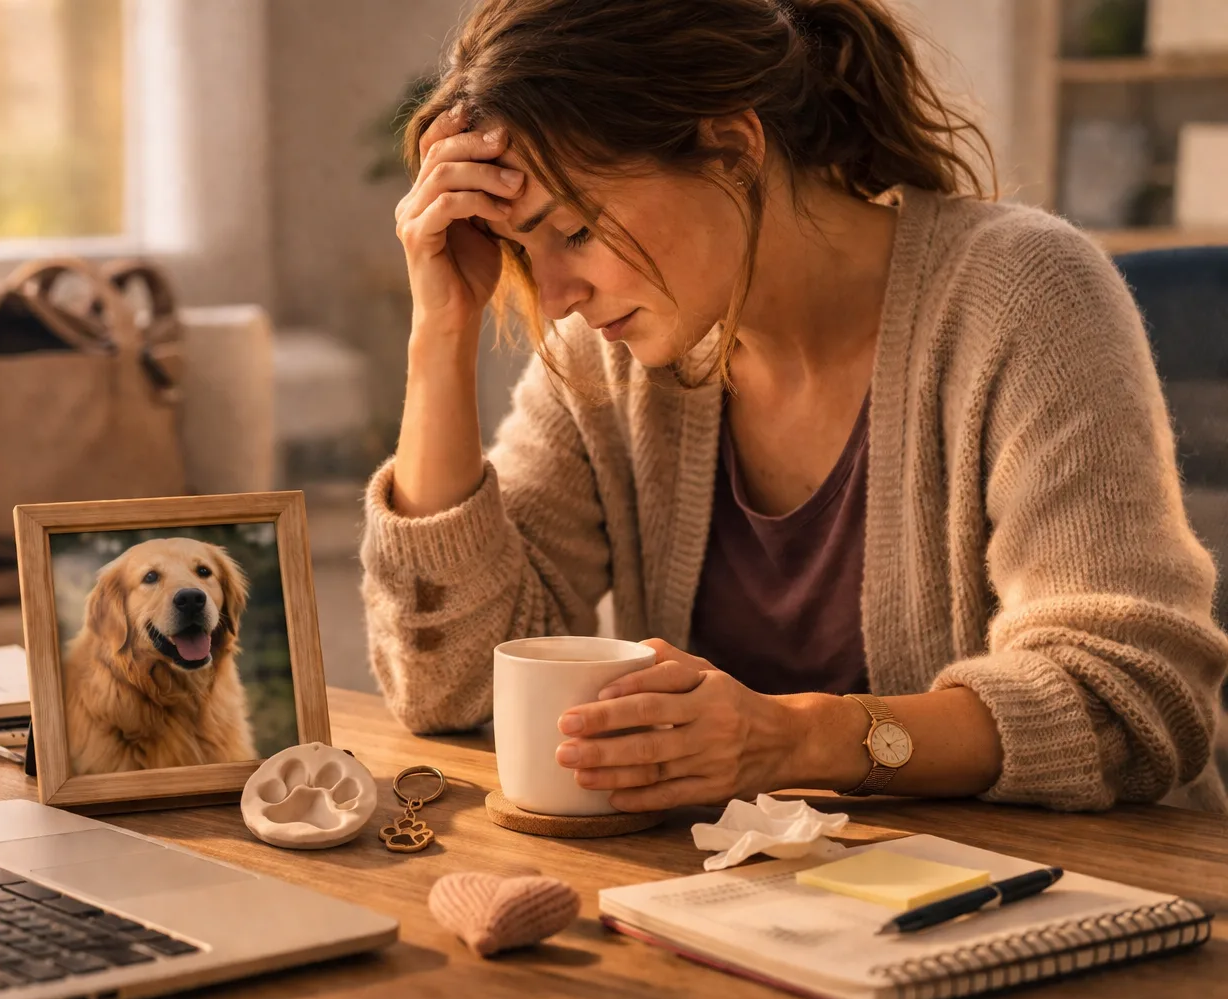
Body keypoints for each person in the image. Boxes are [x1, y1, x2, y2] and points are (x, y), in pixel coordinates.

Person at [359, 0, 1228, 814]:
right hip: (767, 914)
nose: (552, 296)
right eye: (522, 248)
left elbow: (1127, 698)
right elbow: (453, 686)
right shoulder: (607, 362)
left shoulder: (1023, 293)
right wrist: (442, 330)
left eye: (578, 230)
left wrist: (798, 739)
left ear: (734, 147)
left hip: (1073, 912)